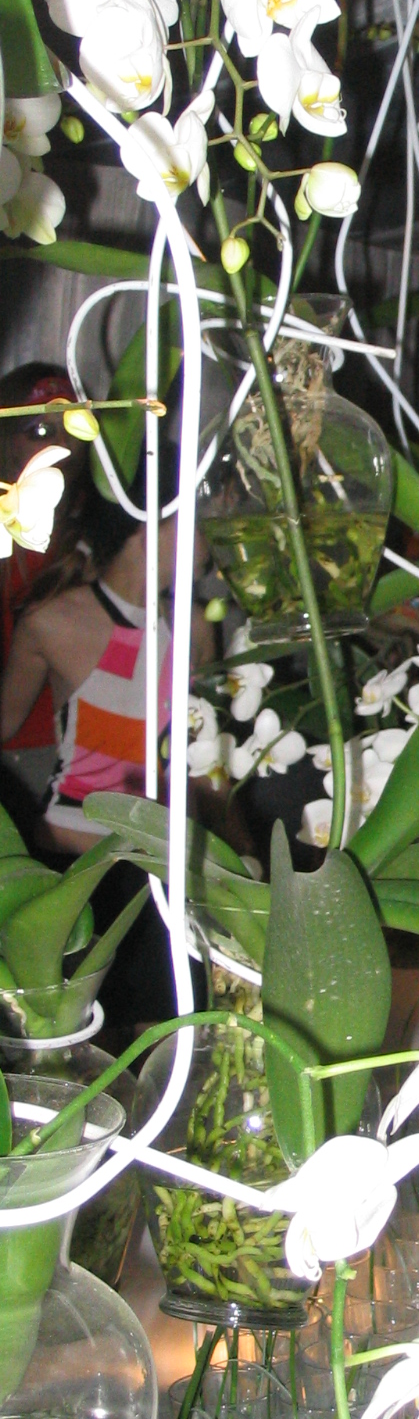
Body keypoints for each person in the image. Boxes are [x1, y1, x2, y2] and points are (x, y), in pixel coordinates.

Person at [0, 452, 215, 1024]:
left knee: (173, 1026)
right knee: (83, 1032)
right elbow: (4, 724)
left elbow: (193, 754)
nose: (208, 540)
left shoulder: (194, 627)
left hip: (167, 861)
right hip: (74, 865)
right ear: (149, 531)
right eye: (194, 522)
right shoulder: (53, 620)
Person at [0, 363, 91, 807]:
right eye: (39, 431)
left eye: (70, 428)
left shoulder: (98, 520)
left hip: (70, 751)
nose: (61, 444)